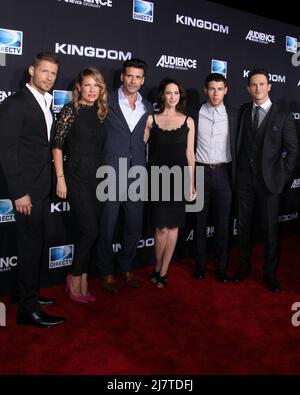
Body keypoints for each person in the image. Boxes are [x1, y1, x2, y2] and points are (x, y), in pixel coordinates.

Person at [0, 52, 65, 327]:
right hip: (26, 190)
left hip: (41, 187)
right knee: (29, 246)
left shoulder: (45, 101)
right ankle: (28, 310)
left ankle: (23, 293)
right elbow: (6, 150)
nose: (49, 77)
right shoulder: (15, 104)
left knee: (33, 244)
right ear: (31, 71)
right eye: (44, 72)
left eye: (53, 73)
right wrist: (18, 192)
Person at [232, 67, 298, 292]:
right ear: (248, 88)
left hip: (270, 183)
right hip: (244, 181)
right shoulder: (242, 112)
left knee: (270, 231)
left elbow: (293, 151)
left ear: (269, 86)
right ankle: (243, 266)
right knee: (243, 226)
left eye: (262, 84)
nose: (258, 88)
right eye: (253, 84)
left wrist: (282, 177)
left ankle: (269, 273)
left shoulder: (283, 115)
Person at [96, 58, 153, 293]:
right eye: (130, 75)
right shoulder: (105, 100)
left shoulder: (147, 106)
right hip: (110, 170)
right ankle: (106, 271)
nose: (133, 80)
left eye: (138, 77)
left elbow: (146, 134)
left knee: (133, 224)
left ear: (143, 80)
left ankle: (126, 267)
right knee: (107, 225)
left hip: (137, 171)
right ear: (122, 76)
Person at [52, 67, 108, 303]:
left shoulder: (100, 111)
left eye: (97, 85)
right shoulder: (69, 110)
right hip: (76, 178)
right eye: (88, 85)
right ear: (79, 87)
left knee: (89, 233)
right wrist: (61, 179)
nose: (92, 90)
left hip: (98, 179)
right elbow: (57, 145)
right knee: (90, 230)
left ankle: (84, 277)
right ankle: (73, 278)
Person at [144, 78, 196, 288]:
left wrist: (192, 184)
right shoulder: (151, 120)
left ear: (180, 96)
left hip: (179, 179)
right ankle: (157, 264)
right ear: (162, 95)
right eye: (168, 93)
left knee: (173, 226)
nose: (172, 96)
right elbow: (137, 147)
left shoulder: (188, 121)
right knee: (160, 228)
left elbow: (190, 156)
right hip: (156, 179)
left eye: (176, 93)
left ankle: (164, 269)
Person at [193, 73, 238, 283]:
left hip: (224, 174)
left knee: (223, 225)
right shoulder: (194, 114)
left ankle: (221, 267)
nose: (215, 93)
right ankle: (200, 265)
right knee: (199, 224)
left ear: (226, 90)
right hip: (200, 172)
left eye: (220, 89)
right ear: (205, 89)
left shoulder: (234, 115)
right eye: (212, 88)